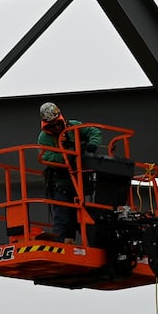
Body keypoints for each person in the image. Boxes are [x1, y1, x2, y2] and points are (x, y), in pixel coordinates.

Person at [35, 101, 104, 242]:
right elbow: (47, 157)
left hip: (79, 183)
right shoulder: (44, 138)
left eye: (58, 124)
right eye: (52, 126)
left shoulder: (73, 126)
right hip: (60, 184)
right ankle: (63, 245)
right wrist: (71, 154)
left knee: (87, 218)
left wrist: (92, 144)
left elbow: (94, 131)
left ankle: (93, 245)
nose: (56, 127)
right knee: (64, 220)